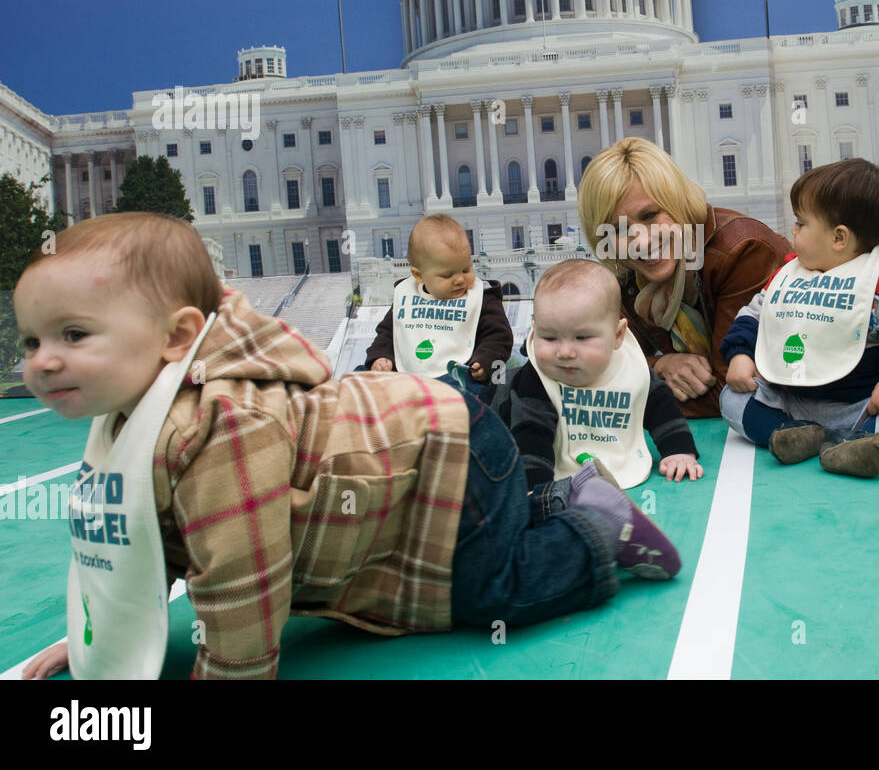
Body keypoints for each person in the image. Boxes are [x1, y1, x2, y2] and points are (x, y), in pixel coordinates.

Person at [16, 213, 679, 680]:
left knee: (490, 590)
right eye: (32, 341)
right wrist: (101, 641)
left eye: (73, 335)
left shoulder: (225, 427)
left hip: (449, 451)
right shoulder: (137, 417)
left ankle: (595, 527)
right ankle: (555, 500)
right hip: (423, 455)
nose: (43, 362)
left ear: (175, 335)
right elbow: (149, 541)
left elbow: (243, 589)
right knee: (479, 551)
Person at [719, 159, 879, 478]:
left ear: (838, 238)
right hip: (792, 402)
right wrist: (741, 354)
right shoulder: (788, 277)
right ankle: (791, 434)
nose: (793, 230)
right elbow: (754, 315)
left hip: (865, 406)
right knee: (732, 398)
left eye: (801, 223)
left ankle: (861, 444)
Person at [576, 138, 791, 418]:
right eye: (618, 229)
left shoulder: (742, 251)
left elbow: (730, 390)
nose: (640, 241)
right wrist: (659, 366)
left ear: (676, 202)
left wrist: (629, 393)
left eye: (651, 215)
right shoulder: (626, 273)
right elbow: (599, 363)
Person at [491, 259, 702, 492]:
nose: (565, 352)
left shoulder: (630, 370)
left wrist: (678, 450)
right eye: (549, 338)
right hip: (496, 405)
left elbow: (660, 406)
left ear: (618, 335)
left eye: (582, 338)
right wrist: (536, 485)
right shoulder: (536, 380)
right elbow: (531, 433)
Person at [364, 213, 513, 385]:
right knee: (362, 375)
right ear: (419, 275)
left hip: (460, 378)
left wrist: (485, 361)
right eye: (447, 275)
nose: (459, 279)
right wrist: (381, 356)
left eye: (465, 269)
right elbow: (388, 334)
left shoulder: (482, 297)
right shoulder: (407, 295)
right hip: (408, 381)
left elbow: (498, 337)